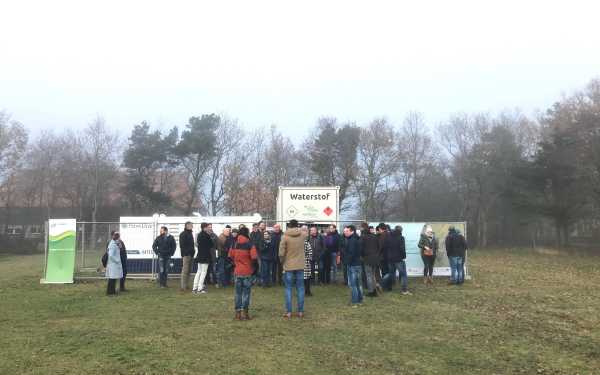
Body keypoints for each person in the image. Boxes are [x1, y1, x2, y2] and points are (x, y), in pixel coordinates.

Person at [228, 227, 258, 321]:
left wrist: (236, 263)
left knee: (238, 293)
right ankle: (245, 313)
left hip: (237, 271)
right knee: (246, 293)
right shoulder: (250, 244)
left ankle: (237, 314)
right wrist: (255, 270)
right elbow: (254, 258)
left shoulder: (234, 243)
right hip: (247, 272)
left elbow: (230, 256)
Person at [279, 219, 306, 319]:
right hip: (300, 264)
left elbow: (281, 252)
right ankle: (300, 311)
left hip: (289, 264)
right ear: (297, 225)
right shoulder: (303, 235)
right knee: (300, 288)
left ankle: (289, 312)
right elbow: (305, 233)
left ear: (289, 226)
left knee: (288, 288)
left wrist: (282, 261)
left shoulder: (285, 236)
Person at [384, 225, 411, 294]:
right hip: (399, 259)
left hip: (390, 259)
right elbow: (402, 249)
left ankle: (385, 285)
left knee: (391, 274)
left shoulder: (388, 237)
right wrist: (404, 257)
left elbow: (386, 248)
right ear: (401, 231)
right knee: (403, 274)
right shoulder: (401, 238)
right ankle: (404, 290)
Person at [343, 225, 363, 306]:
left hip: (353, 265)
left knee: (353, 284)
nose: (345, 233)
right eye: (344, 231)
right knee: (358, 284)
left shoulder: (352, 240)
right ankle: (359, 300)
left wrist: (347, 262)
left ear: (352, 231)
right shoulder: (357, 238)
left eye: (347, 231)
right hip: (357, 264)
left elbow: (351, 253)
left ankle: (355, 301)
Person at [360, 222, 381, 297]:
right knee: (373, 275)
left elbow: (361, 249)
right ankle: (375, 289)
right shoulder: (375, 237)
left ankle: (371, 291)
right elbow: (379, 247)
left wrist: (362, 256)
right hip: (375, 258)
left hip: (367, 259)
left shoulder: (363, 237)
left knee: (369, 275)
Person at [193, 222, 214, 294]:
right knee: (203, 273)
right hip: (205, 256)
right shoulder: (207, 235)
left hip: (199, 255)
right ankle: (200, 289)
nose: (209, 228)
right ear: (204, 227)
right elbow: (211, 245)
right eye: (208, 227)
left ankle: (194, 288)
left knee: (198, 272)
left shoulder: (199, 235)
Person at [179, 222, 195, 292]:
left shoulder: (190, 233)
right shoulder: (183, 234)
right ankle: (183, 286)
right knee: (185, 270)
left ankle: (187, 284)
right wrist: (187, 253)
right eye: (191, 225)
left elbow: (191, 244)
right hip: (186, 255)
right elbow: (182, 245)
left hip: (191, 254)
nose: (192, 226)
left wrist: (192, 252)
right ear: (187, 226)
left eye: (192, 225)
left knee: (189, 270)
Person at [301, 226, 314, 297]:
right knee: (306, 278)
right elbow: (310, 252)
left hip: (299, 262)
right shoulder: (305, 242)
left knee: (302, 278)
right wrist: (309, 258)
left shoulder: (301, 241)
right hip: (305, 262)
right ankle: (307, 292)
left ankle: (304, 291)